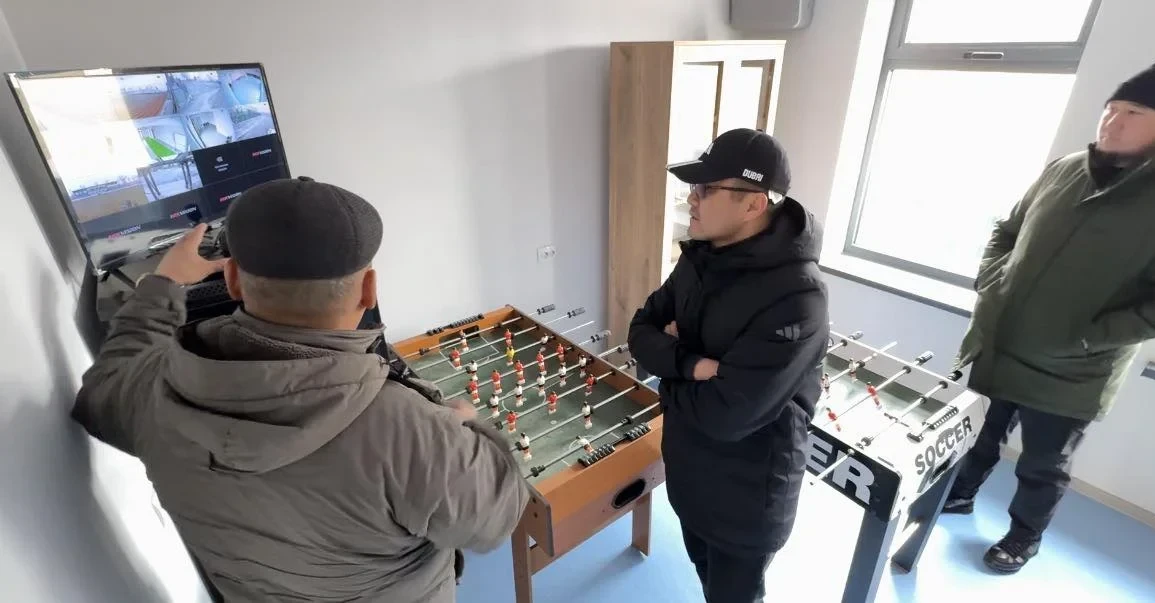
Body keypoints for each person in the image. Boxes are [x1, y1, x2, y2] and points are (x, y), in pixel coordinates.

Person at [71, 177, 530, 602]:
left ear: (232, 280)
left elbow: (100, 392)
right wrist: (463, 426)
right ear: (369, 289)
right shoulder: (416, 434)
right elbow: (498, 515)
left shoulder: (149, 388)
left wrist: (161, 285)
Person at [948, 58, 1155, 574]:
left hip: (1073, 369)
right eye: (1111, 108)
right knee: (977, 433)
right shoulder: (1065, 168)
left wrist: (1086, 338)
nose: (1113, 121)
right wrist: (992, 281)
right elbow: (1007, 230)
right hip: (1003, 341)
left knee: (1043, 465)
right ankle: (959, 495)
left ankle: (1023, 537)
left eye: (1134, 113)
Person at [628, 128, 829, 603]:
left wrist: (667, 372)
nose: (691, 198)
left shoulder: (799, 297)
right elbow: (639, 332)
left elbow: (729, 415)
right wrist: (696, 366)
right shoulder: (699, 259)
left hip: (747, 504)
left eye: (706, 188)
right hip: (689, 478)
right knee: (704, 578)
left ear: (753, 203)